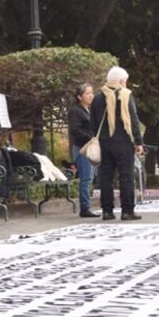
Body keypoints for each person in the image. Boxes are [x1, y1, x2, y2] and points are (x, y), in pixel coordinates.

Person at [89, 66, 145, 221]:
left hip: (104, 143)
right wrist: (138, 141)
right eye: (125, 81)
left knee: (106, 176)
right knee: (126, 176)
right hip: (124, 142)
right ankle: (127, 211)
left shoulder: (98, 98)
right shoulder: (126, 95)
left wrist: (99, 138)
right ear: (121, 81)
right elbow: (133, 120)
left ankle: (107, 211)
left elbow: (92, 123)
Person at [67, 83, 98, 217]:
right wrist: (91, 138)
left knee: (91, 177)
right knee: (86, 178)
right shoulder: (76, 111)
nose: (91, 95)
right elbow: (75, 130)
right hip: (82, 148)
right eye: (87, 93)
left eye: (92, 92)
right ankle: (84, 208)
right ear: (80, 97)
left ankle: (86, 206)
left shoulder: (89, 110)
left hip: (92, 147)